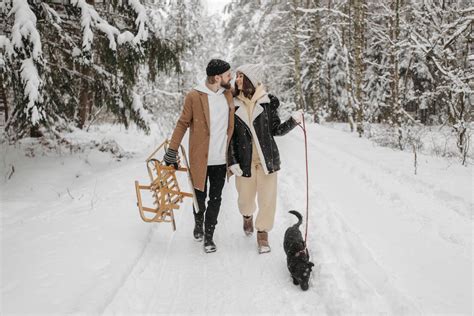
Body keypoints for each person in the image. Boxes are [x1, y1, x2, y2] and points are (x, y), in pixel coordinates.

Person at [227, 64, 303, 254]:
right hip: (244, 162)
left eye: (240, 76)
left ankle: (262, 233)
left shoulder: (268, 102)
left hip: (266, 161)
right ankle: (247, 216)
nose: (237, 80)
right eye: (236, 76)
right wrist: (232, 160)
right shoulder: (233, 104)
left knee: (267, 200)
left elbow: (276, 130)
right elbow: (230, 137)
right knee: (245, 200)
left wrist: (293, 121)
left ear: (250, 79)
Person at [163, 59, 234, 253]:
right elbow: (182, 123)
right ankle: (198, 222)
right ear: (217, 77)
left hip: (220, 159)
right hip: (199, 159)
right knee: (199, 198)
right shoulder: (194, 96)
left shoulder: (228, 94)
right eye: (229, 74)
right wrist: (172, 150)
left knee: (216, 198)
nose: (232, 78)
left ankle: (209, 235)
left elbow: (249, 92)